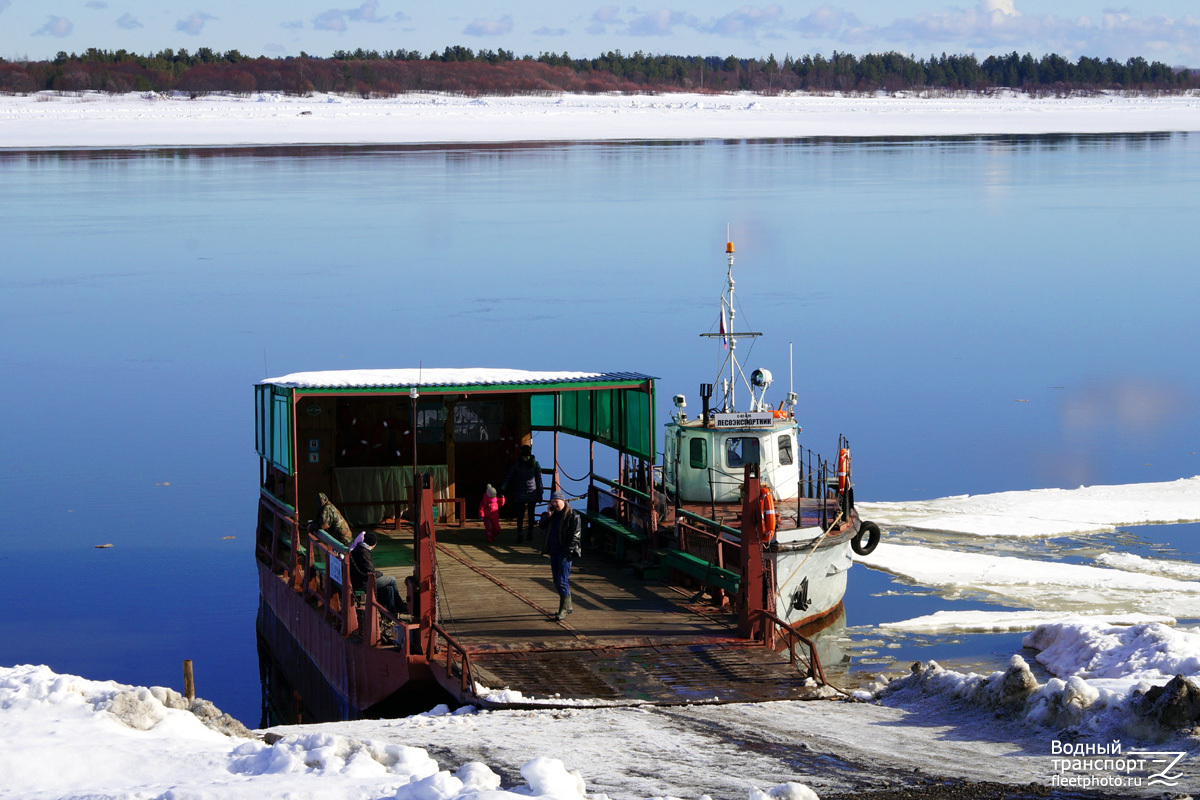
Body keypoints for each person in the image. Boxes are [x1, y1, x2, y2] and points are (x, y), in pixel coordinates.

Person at [540, 489, 582, 621]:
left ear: (563, 501)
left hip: (565, 553)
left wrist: (566, 552)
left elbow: (575, 537)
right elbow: (542, 525)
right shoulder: (553, 514)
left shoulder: (572, 516)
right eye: (552, 502)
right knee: (556, 581)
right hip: (553, 551)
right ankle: (568, 605)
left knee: (562, 581)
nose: (554, 504)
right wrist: (549, 514)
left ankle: (563, 609)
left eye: (556, 501)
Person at [349, 531, 404, 616]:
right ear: (374, 544)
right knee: (391, 580)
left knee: (388, 588)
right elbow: (371, 573)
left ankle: (391, 612)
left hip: (358, 579)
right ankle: (400, 605)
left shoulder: (358, 547)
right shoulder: (364, 553)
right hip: (363, 582)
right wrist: (380, 573)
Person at [502, 444, 543, 543]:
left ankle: (530, 532)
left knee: (531, 514)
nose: (525, 458)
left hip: (531, 492)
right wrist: (502, 488)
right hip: (520, 492)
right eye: (524, 456)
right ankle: (520, 533)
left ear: (530, 455)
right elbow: (509, 476)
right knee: (520, 514)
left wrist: (540, 492)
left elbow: (539, 480)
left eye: (527, 456)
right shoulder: (517, 464)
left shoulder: (535, 464)